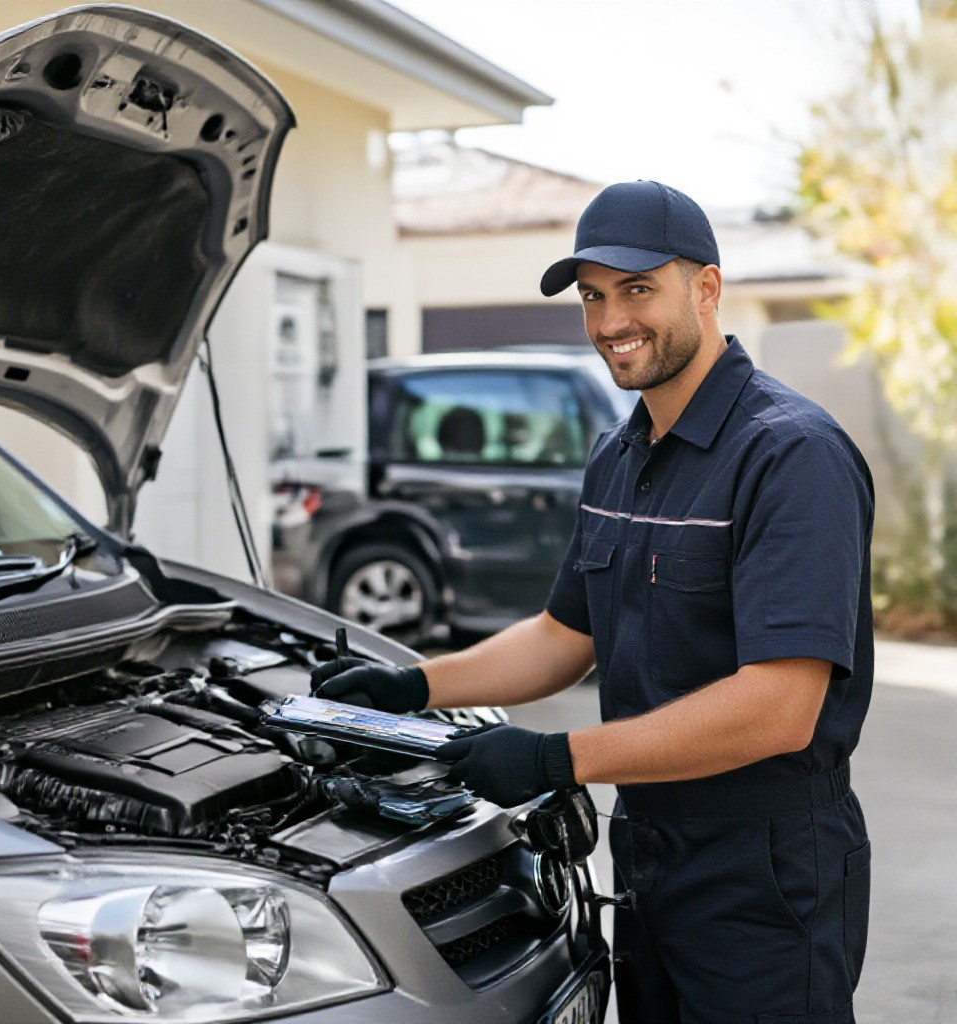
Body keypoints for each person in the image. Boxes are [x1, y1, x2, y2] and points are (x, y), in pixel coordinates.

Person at [312, 180, 874, 1024]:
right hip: (647, 856)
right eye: (593, 297)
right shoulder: (619, 456)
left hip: (766, 871)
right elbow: (561, 634)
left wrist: (557, 759)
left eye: (638, 289)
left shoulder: (791, 456)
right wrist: (413, 686)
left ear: (707, 288)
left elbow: (780, 708)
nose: (612, 322)